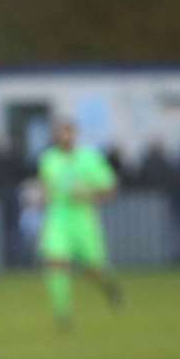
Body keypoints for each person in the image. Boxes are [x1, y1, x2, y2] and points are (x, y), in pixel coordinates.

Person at [38, 118, 123, 329]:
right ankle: (63, 315)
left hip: (83, 218)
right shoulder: (48, 159)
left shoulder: (90, 158)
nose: (64, 137)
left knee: (92, 268)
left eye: (68, 132)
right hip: (58, 217)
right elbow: (46, 189)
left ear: (75, 134)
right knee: (56, 261)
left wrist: (88, 194)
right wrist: (41, 197)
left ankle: (108, 286)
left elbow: (110, 189)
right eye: (60, 133)